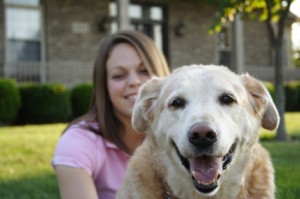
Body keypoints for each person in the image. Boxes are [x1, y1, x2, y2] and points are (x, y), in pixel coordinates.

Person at [51, 30, 170, 199]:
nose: (134, 82)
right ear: (104, 86)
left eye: (144, 71)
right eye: (119, 75)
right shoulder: (77, 143)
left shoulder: (185, 136)